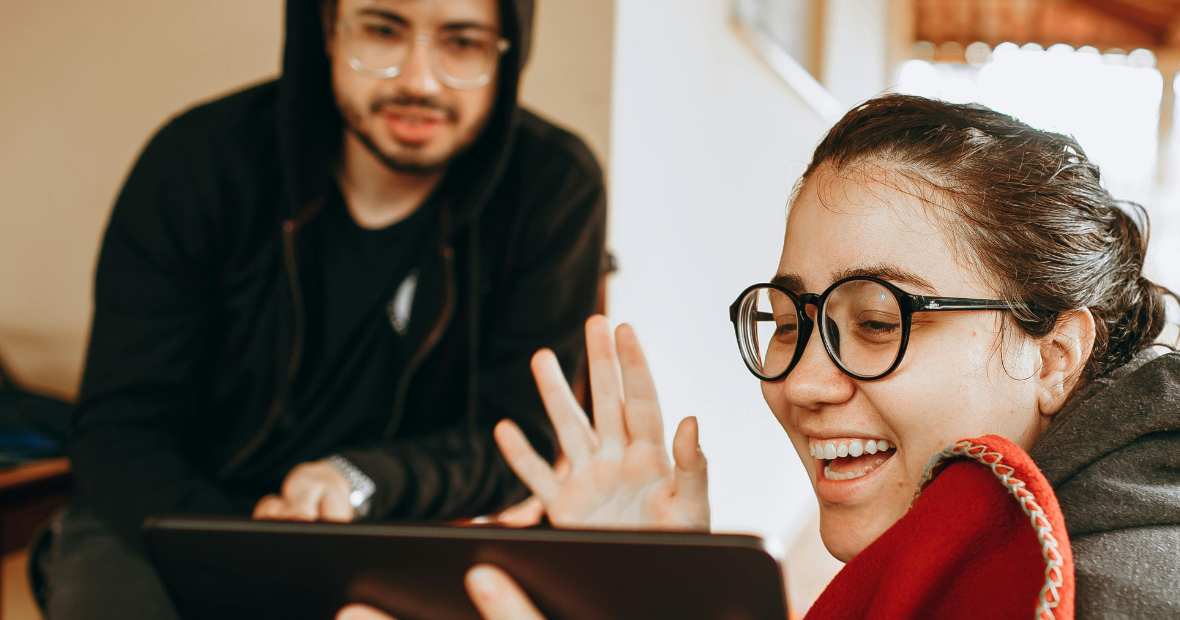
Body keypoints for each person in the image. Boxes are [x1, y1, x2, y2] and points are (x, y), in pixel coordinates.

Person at [341, 95, 1180, 619]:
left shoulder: (1115, 591)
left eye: (880, 323)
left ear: (1057, 355)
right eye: (789, 320)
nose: (805, 383)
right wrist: (662, 597)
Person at [49, 0, 606, 617]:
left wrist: (357, 479)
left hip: (410, 526)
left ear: (508, 49)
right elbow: (121, 425)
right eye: (382, 30)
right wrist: (247, 532)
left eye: (463, 42)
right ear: (327, 28)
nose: (419, 81)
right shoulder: (198, 161)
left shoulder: (553, 187)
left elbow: (516, 436)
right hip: (180, 514)